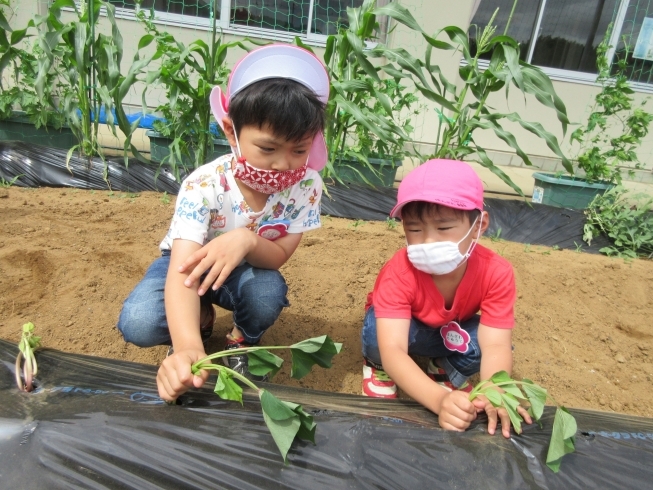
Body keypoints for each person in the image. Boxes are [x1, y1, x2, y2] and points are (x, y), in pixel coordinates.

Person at [117, 44, 329, 402]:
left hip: (247, 270)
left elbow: (277, 256)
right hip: (189, 266)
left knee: (267, 293)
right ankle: (196, 322)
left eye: (298, 150)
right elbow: (183, 270)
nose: (283, 165)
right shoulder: (204, 186)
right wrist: (187, 347)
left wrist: (244, 242)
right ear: (231, 132)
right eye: (267, 148)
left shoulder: (306, 186)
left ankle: (241, 340)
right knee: (139, 320)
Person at [360, 159, 532, 438]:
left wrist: (494, 390)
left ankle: (443, 368)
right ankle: (378, 369)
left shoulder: (496, 272)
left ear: (478, 226)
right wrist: (438, 401)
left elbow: (496, 342)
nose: (428, 241)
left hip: (450, 331)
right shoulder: (399, 272)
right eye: (415, 230)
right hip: (408, 330)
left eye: (443, 228)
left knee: (486, 345)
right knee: (374, 336)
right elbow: (392, 348)